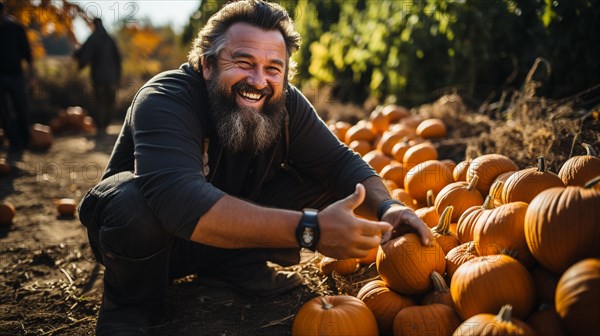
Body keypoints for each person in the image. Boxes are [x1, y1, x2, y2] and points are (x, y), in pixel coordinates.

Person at [77, 1, 433, 334]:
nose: (259, 80)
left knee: (335, 183)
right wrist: (310, 230)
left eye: (273, 68)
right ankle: (128, 307)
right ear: (207, 64)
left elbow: (340, 161)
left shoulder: (286, 103)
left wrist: (389, 207)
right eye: (244, 62)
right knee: (131, 203)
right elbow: (177, 201)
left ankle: (233, 267)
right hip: (152, 247)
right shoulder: (166, 98)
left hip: (220, 240)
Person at [73, 17, 121, 135]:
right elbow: (118, 60)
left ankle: (100, 127)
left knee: (99, 101)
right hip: (112, 77)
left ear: (94, 25)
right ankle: (105, 125)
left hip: (98, 77)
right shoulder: (110, 39)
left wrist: (77, 55)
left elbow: (84, 53)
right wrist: (118, 76)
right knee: (109, 101)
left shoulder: (93, 38)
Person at [0, 1, 36, 157]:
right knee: (3, 112)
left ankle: (24, 141)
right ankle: (13, 142)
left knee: (21, 108)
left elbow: (28, 54)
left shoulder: (16, 28)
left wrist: (32, 76)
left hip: (16, 75)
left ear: (4, 12)